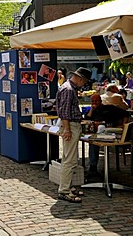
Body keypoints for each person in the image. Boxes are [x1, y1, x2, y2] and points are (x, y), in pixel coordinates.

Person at [56, 67, 91, 203]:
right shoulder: (69, 89)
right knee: (69, 159)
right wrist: (67, 129)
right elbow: (64, 112)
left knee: (69, 158)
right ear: (81, 79)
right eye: (85, 82)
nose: (84, 85)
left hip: (70, 125)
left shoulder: (68, 88)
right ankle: (64, 190)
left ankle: (67, 187)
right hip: (70, 125)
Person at [84, 93, 128, 177]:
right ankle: (93, 168)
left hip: (110, 131)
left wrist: (123, 124)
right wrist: (91, 110)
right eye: (92, 101)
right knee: (92, 143)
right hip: (96, 133)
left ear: (100, 101)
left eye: (96, 101)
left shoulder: (109, 108)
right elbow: (86, 120)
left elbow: (125, 114)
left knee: (94, 142)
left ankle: (94, 168)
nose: (94, 103)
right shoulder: (92, 111)